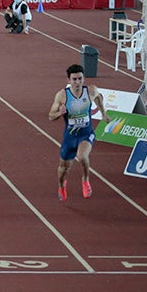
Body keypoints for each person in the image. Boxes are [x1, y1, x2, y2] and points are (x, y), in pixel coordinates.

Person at [48, 64, 109, 200]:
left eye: (80, 78)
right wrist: (60, 113)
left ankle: (85, 179)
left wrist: (103, 113)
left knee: (82, 156)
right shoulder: (62, 95)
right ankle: (61, 186)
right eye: (74, 79)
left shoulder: (91, 91)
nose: (77, 82)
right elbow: (51, 116)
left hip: (86, 134)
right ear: (69, 80)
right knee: (63, 168)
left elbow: (98, 98)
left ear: (83, 78)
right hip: (69, 137)